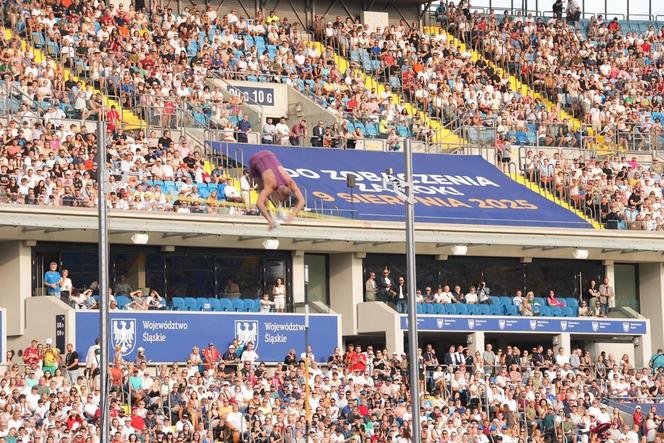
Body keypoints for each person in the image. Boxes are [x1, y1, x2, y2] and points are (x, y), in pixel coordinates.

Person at [248, 150, 305, 229]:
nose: (279, 201)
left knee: (264, 193)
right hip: (255, 160)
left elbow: (302, 201)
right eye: (280, 201)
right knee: (262, 189)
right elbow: (259, 203)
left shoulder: (290, 183)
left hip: (269, 153)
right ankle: (270, 214)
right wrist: (270, 221)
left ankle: (277, 210)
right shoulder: (271, 186)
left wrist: (292, 215)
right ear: (277, 192)